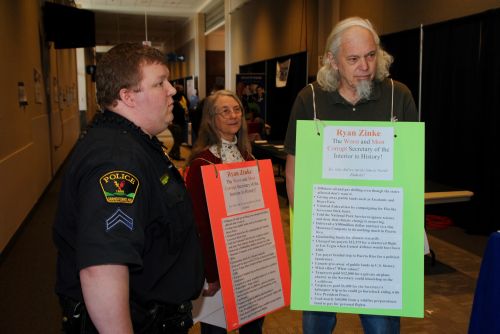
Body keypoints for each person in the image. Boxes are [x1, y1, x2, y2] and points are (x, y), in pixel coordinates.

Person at [53, 43, 204, 334]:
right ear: (127, 96)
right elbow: (102, 269)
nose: (172, 90)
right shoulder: (115, 159)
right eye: (160, 83)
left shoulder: (134, 142)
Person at [284, 17, 418, 334]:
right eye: (354, 58)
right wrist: (306, 234)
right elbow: (293, 169)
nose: (365, 67)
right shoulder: (309, 99)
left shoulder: (399, 96)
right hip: (326, 238)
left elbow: (411, 170)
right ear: (332, 60)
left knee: (381, 326)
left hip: (378, 240)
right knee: (317, 323)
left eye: (371, 55)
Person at [185, 90, 265, 334]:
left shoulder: (249, 157)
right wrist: (210, 273)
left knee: (253, 327)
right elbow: (200, 224)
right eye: (225, 111)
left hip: (249, 261)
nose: (233, 116)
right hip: (218, 262)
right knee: (216, 329)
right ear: (211, 118)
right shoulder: (202, 163)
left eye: (237, 109)